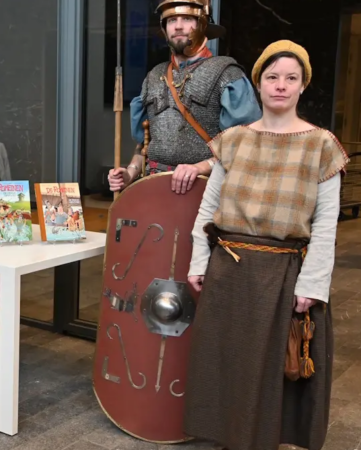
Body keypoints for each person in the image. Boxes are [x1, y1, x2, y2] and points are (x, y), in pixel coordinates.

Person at [183, 40, 348, 450]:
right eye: (272, 77)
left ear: (302, 86)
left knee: (273, 367)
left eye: (291, 78)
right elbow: (209, 207)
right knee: (228, 360)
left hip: (284, 273)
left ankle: (264, 439)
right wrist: (199, 260)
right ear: (258, 84)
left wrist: (312, 284)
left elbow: (327, 223)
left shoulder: (321, 144)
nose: (280, 85)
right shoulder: (233, 139)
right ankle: (228, 436)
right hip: (229, 268)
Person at [108, 0, 261, 195]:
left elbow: (245, 146)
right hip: (154, 188)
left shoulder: (227, 75)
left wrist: (200, 167)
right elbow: (144, 145)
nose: (178, 26)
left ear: (202, 24)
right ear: (165, 28)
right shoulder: (154, 76)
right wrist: (130, 173)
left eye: (187, 18)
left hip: (206, 191)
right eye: (172, 20)